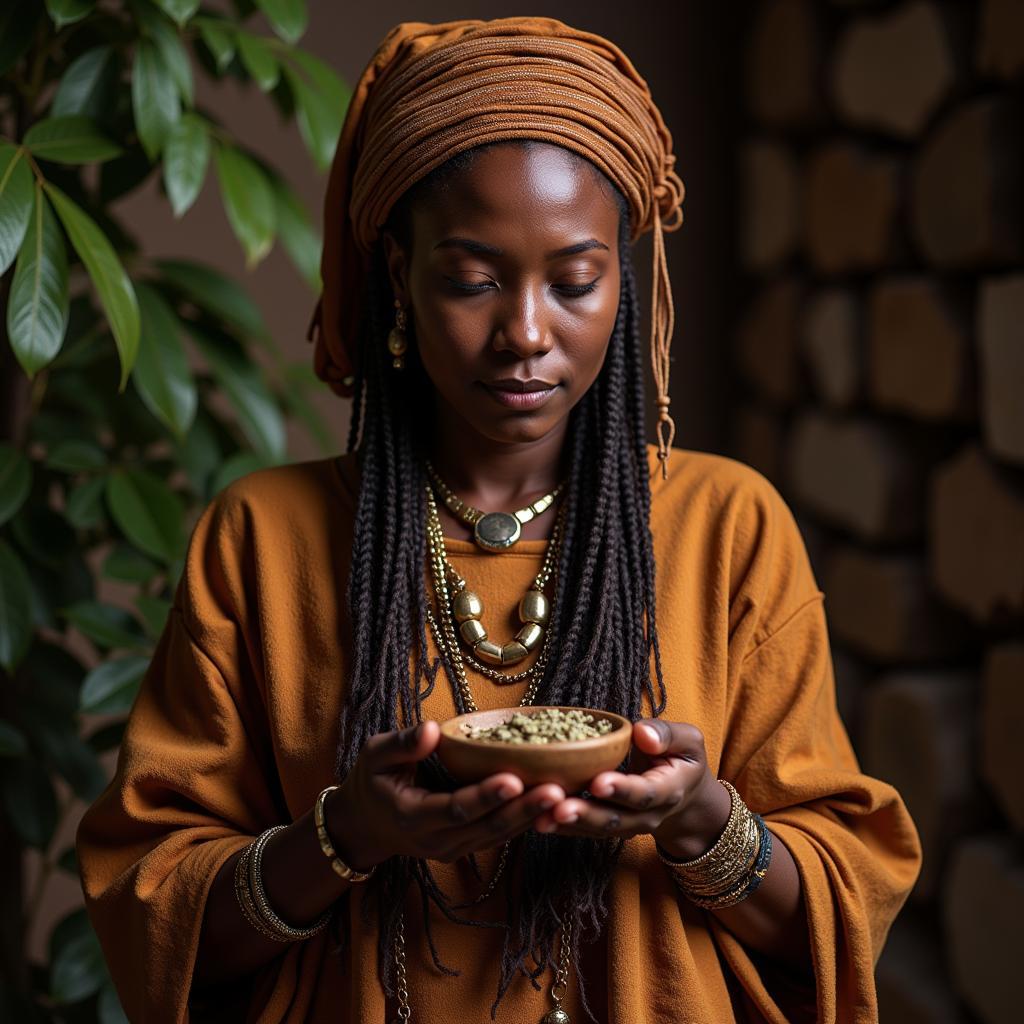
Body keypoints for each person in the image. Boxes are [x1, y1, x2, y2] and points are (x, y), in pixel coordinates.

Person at [76, 16, 922, 1024]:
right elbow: (160, 920)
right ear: (398, 277)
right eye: (471, 280)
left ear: (625, 282)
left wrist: (700, 818)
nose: (524, 333)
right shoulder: (263, 538)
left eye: (573, 281)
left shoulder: (728, 525)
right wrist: (350, 834)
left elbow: (835, 923)